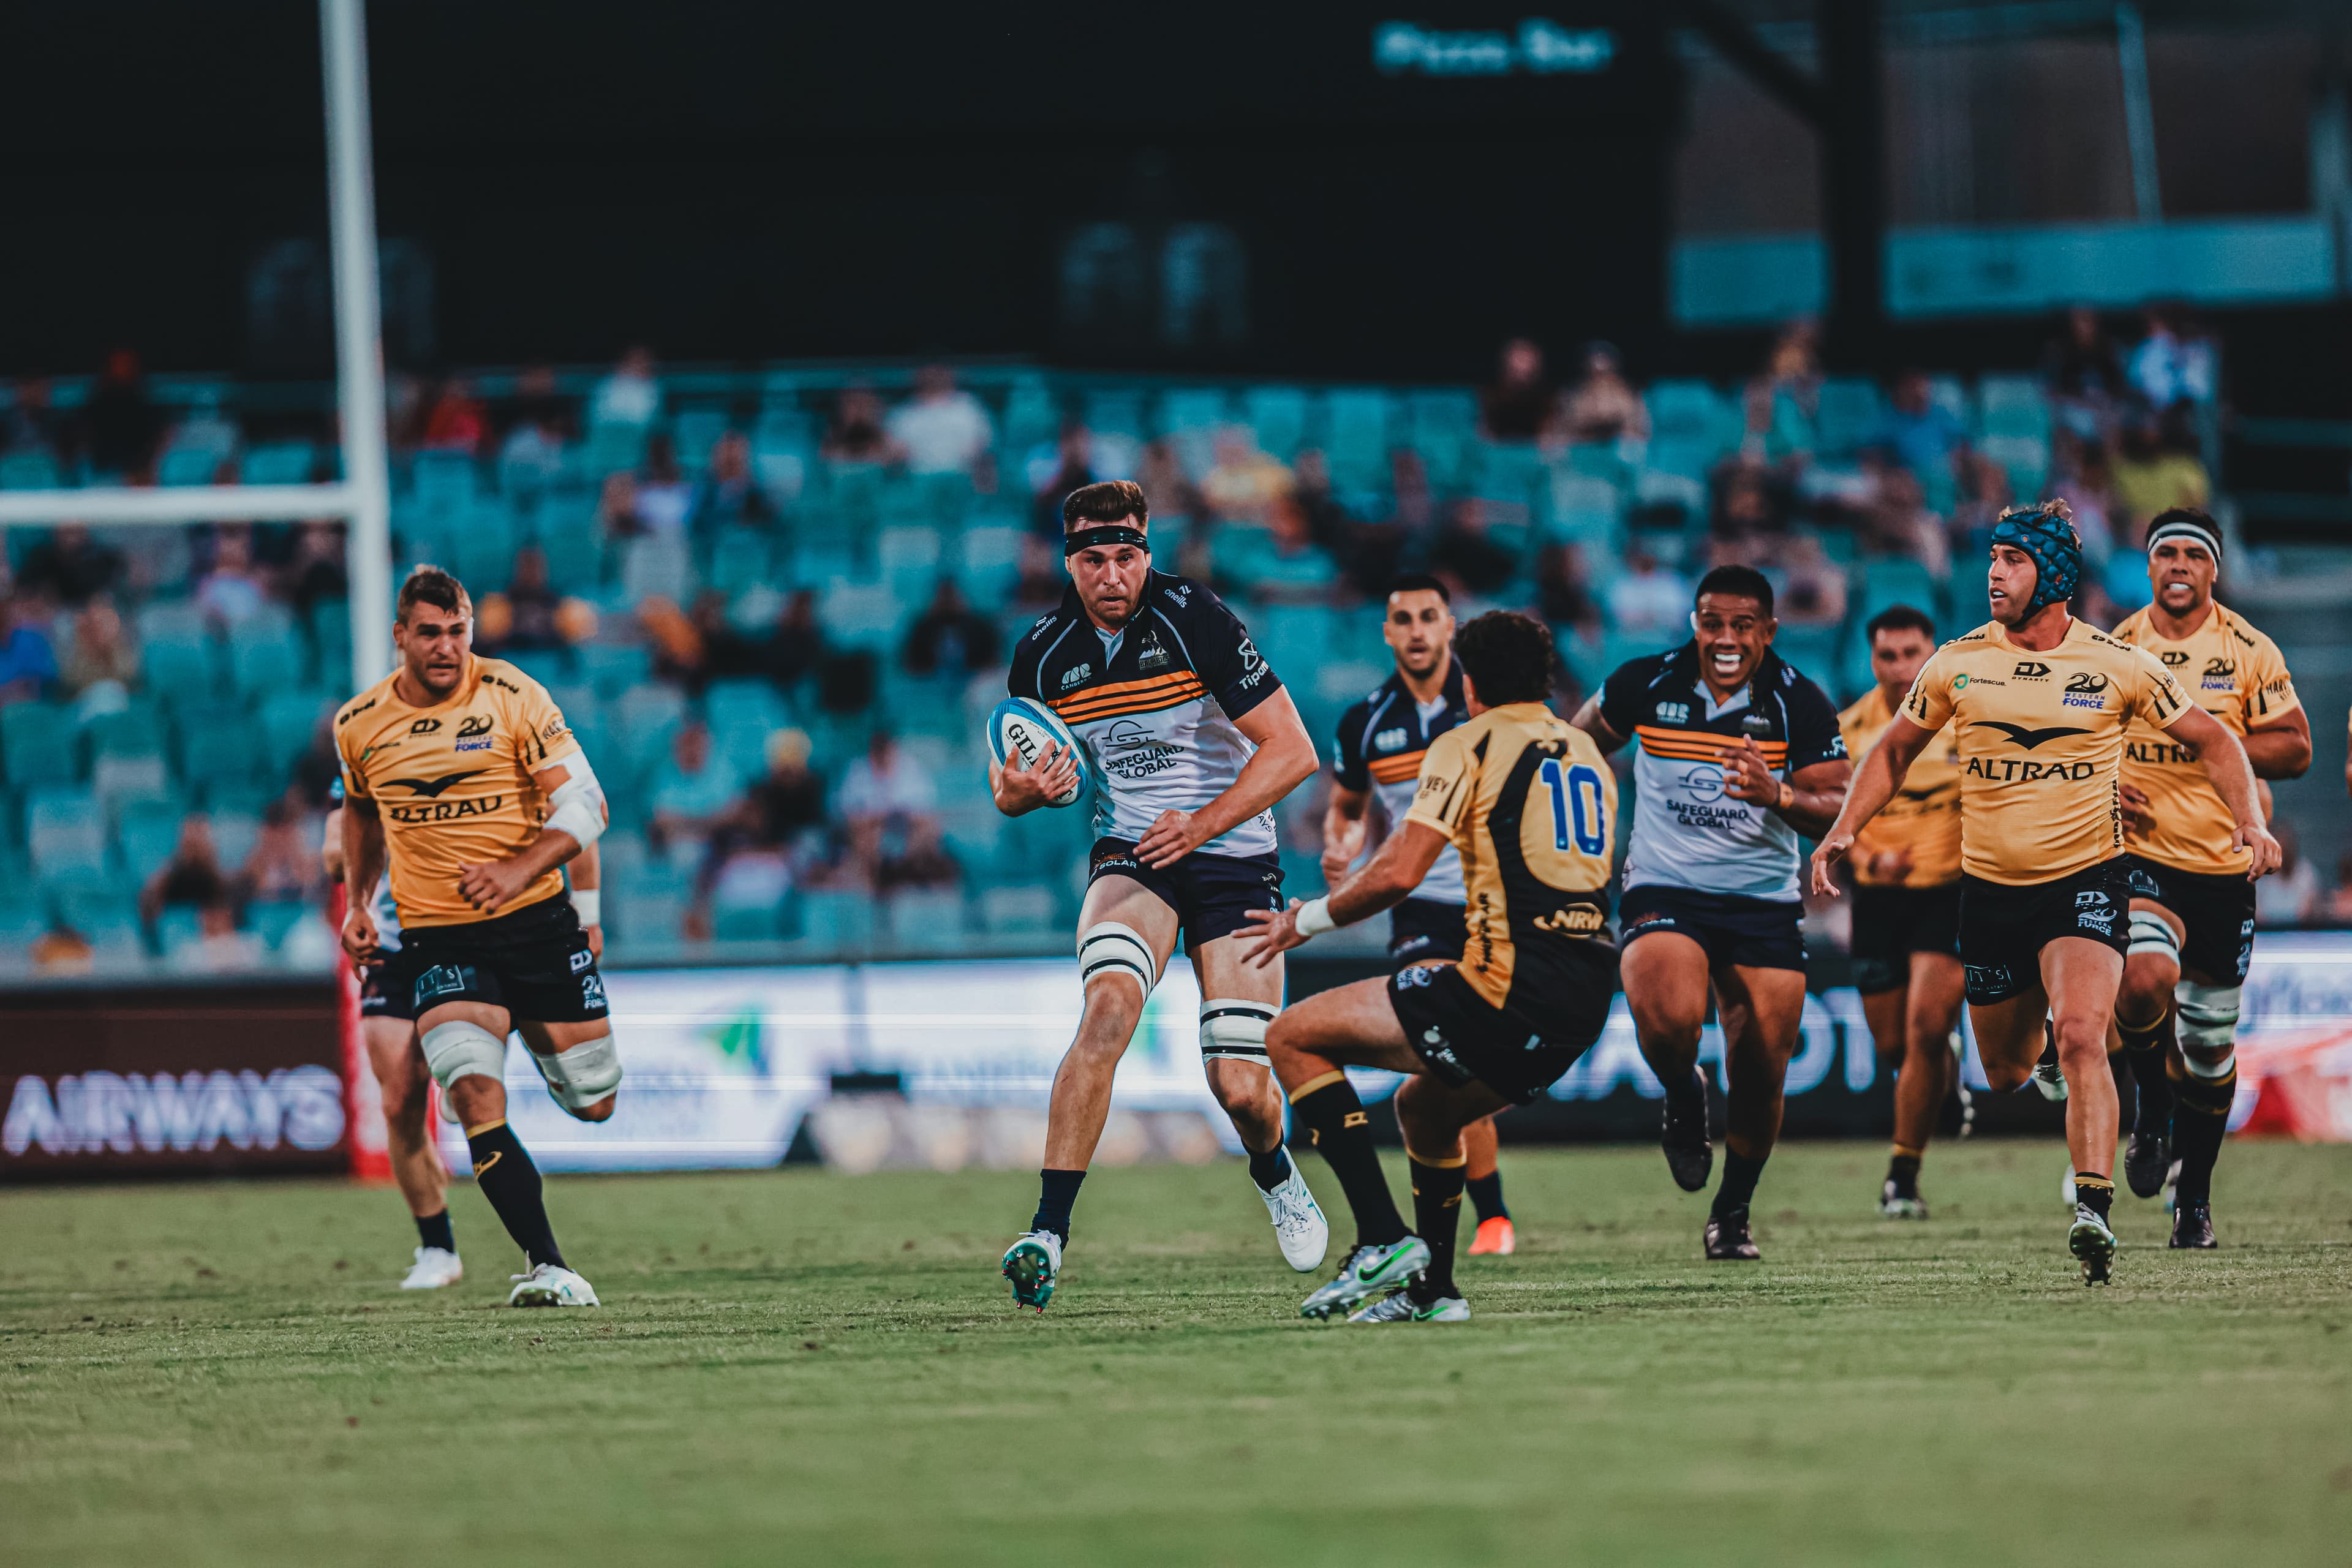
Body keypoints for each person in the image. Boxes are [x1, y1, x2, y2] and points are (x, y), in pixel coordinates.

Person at [1812, 502, 2278, 1284]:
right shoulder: (1959, 661)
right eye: (1992, 559)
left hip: (2086, 882)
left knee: (2084, 1036)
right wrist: (1842, 832)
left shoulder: (2118, 663)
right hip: (1991, 892)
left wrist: (2249, 820)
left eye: (2012, 560)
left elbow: (2214, 738)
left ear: (2053, 575)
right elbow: (1893, 750)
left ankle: (2092, 1207)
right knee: (2004, 1070)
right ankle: (2050, 1072)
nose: (1993, 574)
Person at [994, 480, 1325, 1311]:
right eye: (1094, 560)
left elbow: (1292, 753)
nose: (1113, 575)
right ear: (1069, 563)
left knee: (1243, 1088)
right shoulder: (1041, 655)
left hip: (1236, 857)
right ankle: (1047, 1233)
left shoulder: (1195, 619)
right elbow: (1010, 790)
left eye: (1127, 557)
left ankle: (1274, 1171)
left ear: (1148, 554)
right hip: (1134, 856)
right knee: (1106, 1007)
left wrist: (1203, 825)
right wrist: (1032, 789)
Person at [1242, 611, 1618, 1322]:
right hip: (1589, 994)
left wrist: (1306, 919)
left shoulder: (1465, 743)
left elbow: (1399, 873)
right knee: (1426, 1108)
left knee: (1291, 1035)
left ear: (1470, 683)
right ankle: (1435, 1291)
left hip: (1507, 986)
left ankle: (1382, 1237)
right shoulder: (1584, 750)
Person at [336, 565, 621, 1308]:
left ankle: (533, 1032)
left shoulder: (515, 696)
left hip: (535, 925)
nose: (446, 647)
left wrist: (520, 870)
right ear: (400, 635)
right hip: (441, 939)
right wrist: (359, 901)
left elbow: (589, 804)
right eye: (429, 633)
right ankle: (549, 1264)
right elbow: (360, 815)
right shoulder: (360, 724)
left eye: (457, 631)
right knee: (467, 1088)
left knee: (596, 1101)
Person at [1572, 565, 1849, 1261]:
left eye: (1742, 625)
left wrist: (1778, 795)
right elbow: (1570, 749)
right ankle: (1681, 1087)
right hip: (1665, 887)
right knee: (1666, 1018)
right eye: (1711, 622)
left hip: (1761, 901)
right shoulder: (1645, 682)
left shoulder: (1801, 704)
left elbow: (1840, 812)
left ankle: (1733, 1210)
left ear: (1769, 631)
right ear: (1694, 622)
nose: (1725, 638)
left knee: (1763, 1067)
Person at [2107, 509, 2309, 1247]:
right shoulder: (2116, 647)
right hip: (2143, 856)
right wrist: (2105, 786)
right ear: (2150, 565)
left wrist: (2218, 742)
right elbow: (2076, 739)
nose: (2181, 565)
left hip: (2225, 866)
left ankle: (2194, 1201)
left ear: (2214, 570)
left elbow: (2296, 747)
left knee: (2211, 1049)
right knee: (2142, 979)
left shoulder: (2249, 650)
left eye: (2196, 554)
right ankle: (2153, 1112)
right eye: (2168, 554)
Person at [1323, 575, 1517, 1257]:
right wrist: (1340, 844)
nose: (1415, 630)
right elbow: (1348, 806)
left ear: (1450, 624)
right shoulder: (1366, 722)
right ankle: (1489, 1218)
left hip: (1501, 901)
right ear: (1386, 630)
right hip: (1423, 906)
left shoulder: (1492, 701)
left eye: (1427, 616)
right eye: (1401, 617)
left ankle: (1486, 1214)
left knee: (1470, 1060)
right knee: (1448, 1053)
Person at [1835, 607, 1966, 1219]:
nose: (1900, 668)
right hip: (1879, 898)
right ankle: (1947, 1072)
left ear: (1931, 652)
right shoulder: (1850, 728)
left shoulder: (1964, 721)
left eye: (1911, 653)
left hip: (1948, 891)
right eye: (1887, 656)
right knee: (1894, 1045)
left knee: (1922, 1026)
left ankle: (1903, 1174)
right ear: (1872, 659)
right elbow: (1836, 817)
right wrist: (1868, 855)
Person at [887, 364, 994, 478]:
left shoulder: (971, 407)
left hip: (961, 480)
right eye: (928, 369)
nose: (933, 375)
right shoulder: (901, 415)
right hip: (918, 483)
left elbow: (985, 448)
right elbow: (895, 455)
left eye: (939, 370)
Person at [1479, 337, 1553, 443]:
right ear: (1505, 368)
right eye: (1515, 372)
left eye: (1527, 375)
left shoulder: (1548, 404)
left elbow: (1551, 440)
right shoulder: (1486, 401)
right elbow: (1483, 437)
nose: (1521, 374)